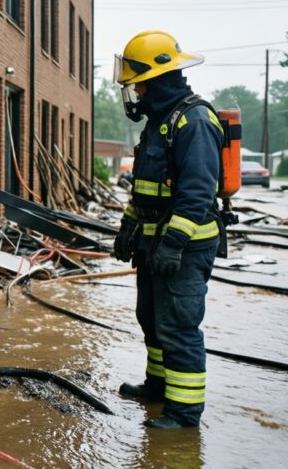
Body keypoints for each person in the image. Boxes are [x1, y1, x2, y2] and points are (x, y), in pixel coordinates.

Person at [112, 30, 224, 429]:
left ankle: (183, 412)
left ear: (156, 78)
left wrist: (173, 243)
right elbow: (146, 187)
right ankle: (158, 386)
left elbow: (196, 194)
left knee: (178, 325)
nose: (136, 94)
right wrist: (128, 227)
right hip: (154, 242)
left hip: (185, 247)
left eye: (139, 85)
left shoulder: (195, 120)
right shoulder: (160, 120)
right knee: (151, 316)